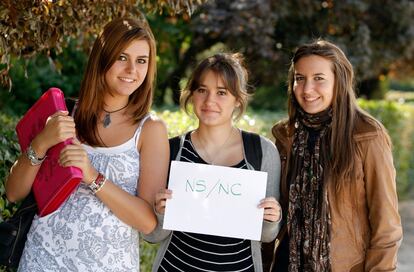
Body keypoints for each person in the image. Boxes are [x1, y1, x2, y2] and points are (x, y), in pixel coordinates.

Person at [5, 17, 169, 271]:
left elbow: (148, 222)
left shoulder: (150, 130)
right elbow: (14, 193)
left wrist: (92, 175)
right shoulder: (63, 114)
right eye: (122, 58)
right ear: (102, 58)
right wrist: (41, 142)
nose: (132, 71)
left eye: (141, 61)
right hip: (42, 259)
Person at [262, 40, 403, 271]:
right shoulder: (285, 137)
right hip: (287, 264)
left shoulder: (366, 135)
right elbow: (274, 212)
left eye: (319, 78)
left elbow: (386, 225)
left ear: (339, 81)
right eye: (300, 78)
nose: (307, 89)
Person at [143, 53, 282, 272]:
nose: (209, 101)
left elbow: (267, 235)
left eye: (221, 92)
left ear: (238, 99)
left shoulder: (262, 152)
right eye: (202, 90)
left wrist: (272, 217)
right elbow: (151, 235)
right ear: (192, 94)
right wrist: (160, 214)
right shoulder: (171, 151)